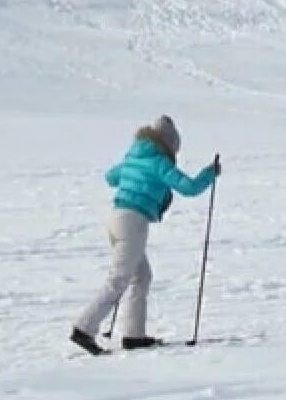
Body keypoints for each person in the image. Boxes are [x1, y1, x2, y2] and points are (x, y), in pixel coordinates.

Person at [70, 115, 219, 354]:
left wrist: (131, 172)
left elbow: (110, 177)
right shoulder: (160, 162)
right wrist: (209, 173)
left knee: (142, 275)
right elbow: (189, 188)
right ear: (169, 144)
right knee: (119, 278)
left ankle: (134, 335)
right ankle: (84, 328)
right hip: (133, 221)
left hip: (115, 218)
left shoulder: (134, 156)